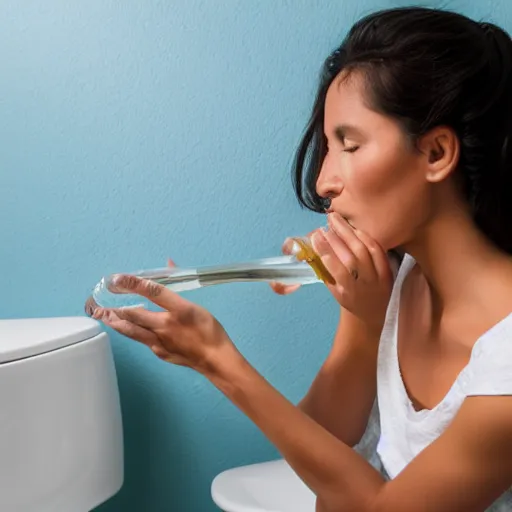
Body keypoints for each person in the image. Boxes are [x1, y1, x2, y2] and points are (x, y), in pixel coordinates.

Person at [87, 6, 512, 511]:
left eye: (349, 145)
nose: (323, 182)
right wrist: (362, 319)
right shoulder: (395, 279)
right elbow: (319, 446)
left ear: (437, 153)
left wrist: (218, 362)